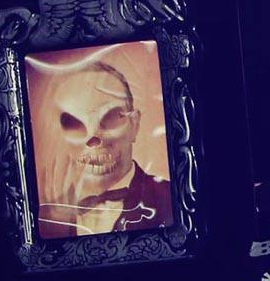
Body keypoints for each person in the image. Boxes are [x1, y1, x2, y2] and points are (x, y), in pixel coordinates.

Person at [36, 60, 172, 238]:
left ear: (134, 124)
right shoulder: (44, 219)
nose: (94, 138)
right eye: (73, 123)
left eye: (112, 116)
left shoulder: (170, 200)